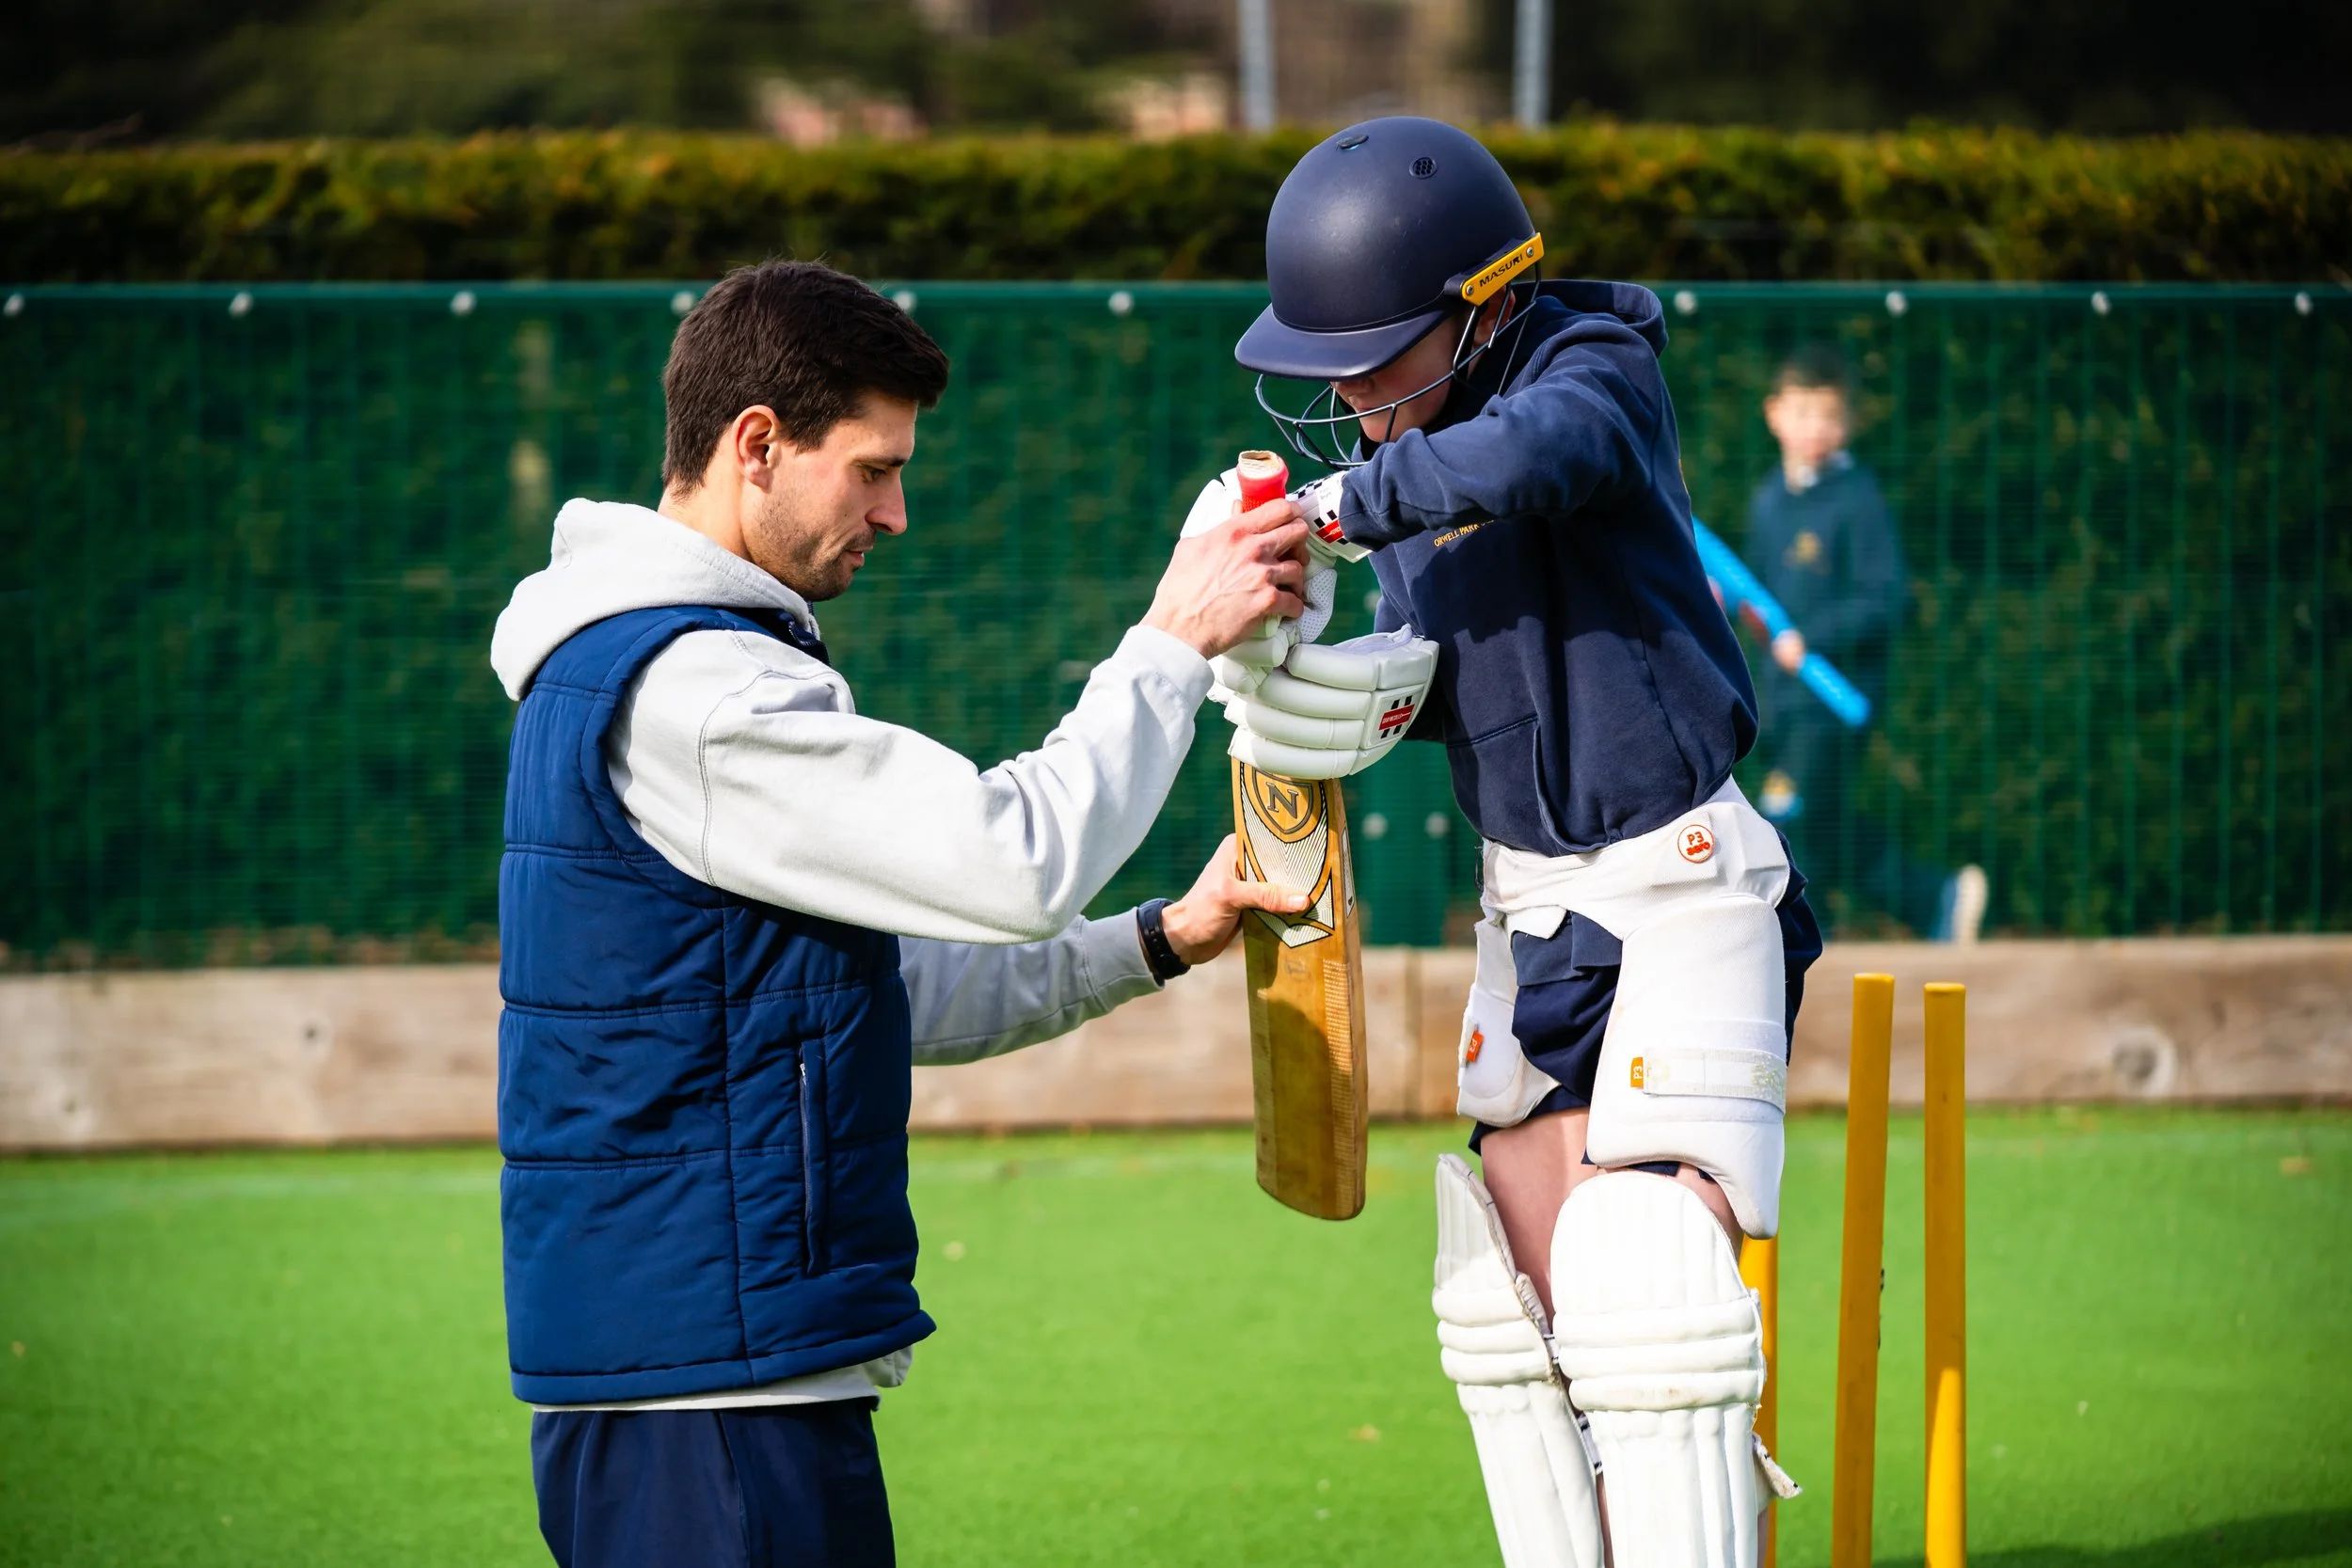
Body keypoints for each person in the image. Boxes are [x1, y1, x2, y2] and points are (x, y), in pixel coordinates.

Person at [487, 260, 1313, 1568]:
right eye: (873, 468)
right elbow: (1016, 858)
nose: (900, 511)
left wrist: (1157, 937)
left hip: (718, 1363)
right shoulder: (697, 686)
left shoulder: (662, 658)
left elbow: (883, 994)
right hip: (709, 1381)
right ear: (756, 444)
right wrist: (1174, 638)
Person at [1206, 118, 1821, 1568]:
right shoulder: (1404, 452)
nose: (1351, 390)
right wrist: (1295, 682)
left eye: (1376, 349)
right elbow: (1424, 677)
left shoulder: (1590, 370)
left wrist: (1341, 508)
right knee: (1510, 1300)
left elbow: (1540, 456)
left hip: (1682, 884)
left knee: (1646, 1276)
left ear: (1485, 302)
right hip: (1532, 918)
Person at [1747, 345, 1987, 942]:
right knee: (1822, 825)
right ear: (1774, 414)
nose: (1815, 429)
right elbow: (1761, 609)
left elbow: (1889, 600)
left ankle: (1794, 946)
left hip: (1834, 700)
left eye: (1828, 416)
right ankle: (1938, 897)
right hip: (1782, 703)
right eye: (1802, 413)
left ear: (1847, 422)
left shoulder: (1858, 498)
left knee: (1787, 820)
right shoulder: (1768, 499)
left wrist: (1814, 639)